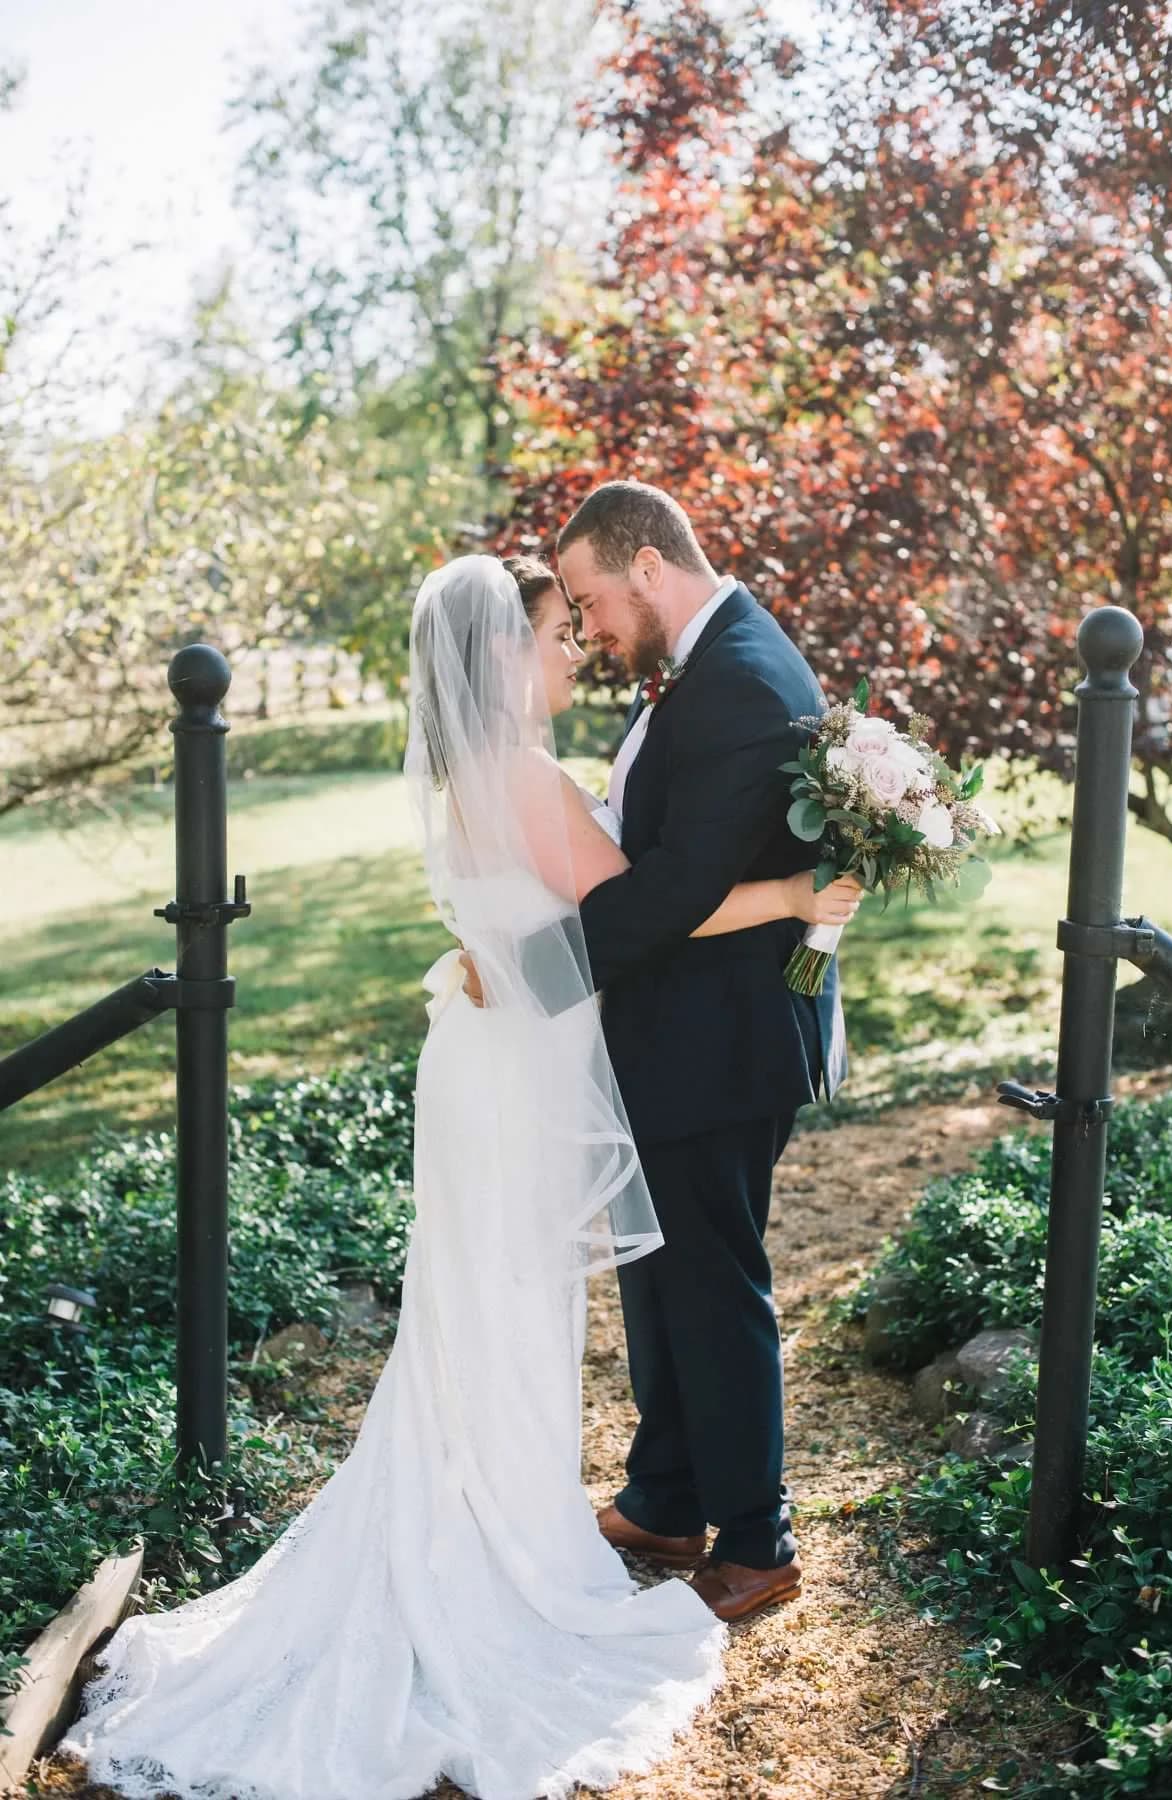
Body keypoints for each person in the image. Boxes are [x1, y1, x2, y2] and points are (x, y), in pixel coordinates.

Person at [59, 554, 857, 1800]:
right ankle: (500, 1543)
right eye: (556, 632)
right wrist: (797, 892)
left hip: (489, 1063)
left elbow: (544, 931)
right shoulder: (522, 775)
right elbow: (644, 909)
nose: (573, 651)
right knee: (507, 1302)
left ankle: (507, 1510)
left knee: (480, 1300)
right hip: (520, 1076)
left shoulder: (469, 774)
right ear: (498, 653)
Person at [465, 489, 854, 1626]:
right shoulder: (713, 659)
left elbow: (672, 890)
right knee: (661, 1275)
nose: (584, 627)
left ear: (645, 567)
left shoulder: (737, 677)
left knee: (711, 1282)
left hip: (721, 1042)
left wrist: (526, 976)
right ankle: (667, 1495)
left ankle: (755, 1537)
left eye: (586, 599)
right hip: (681, 1034)